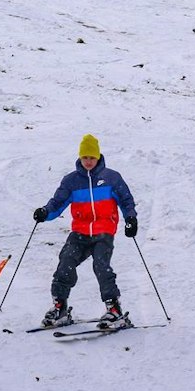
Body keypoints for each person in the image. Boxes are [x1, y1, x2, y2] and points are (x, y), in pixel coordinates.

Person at [32, 133, 138, 329]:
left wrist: (130, 218)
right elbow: (57, 203)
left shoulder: (111, 178)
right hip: (80, 232)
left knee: (101, 265)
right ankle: (60, 306)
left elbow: (126, 200)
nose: (88, 161)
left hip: (103, 231)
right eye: (85, 157)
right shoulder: (71, 181)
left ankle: (114, 309)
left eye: (92, 157)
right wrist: (45, 212)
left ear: (98, 157)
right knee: (66, 262)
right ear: (80, 158)